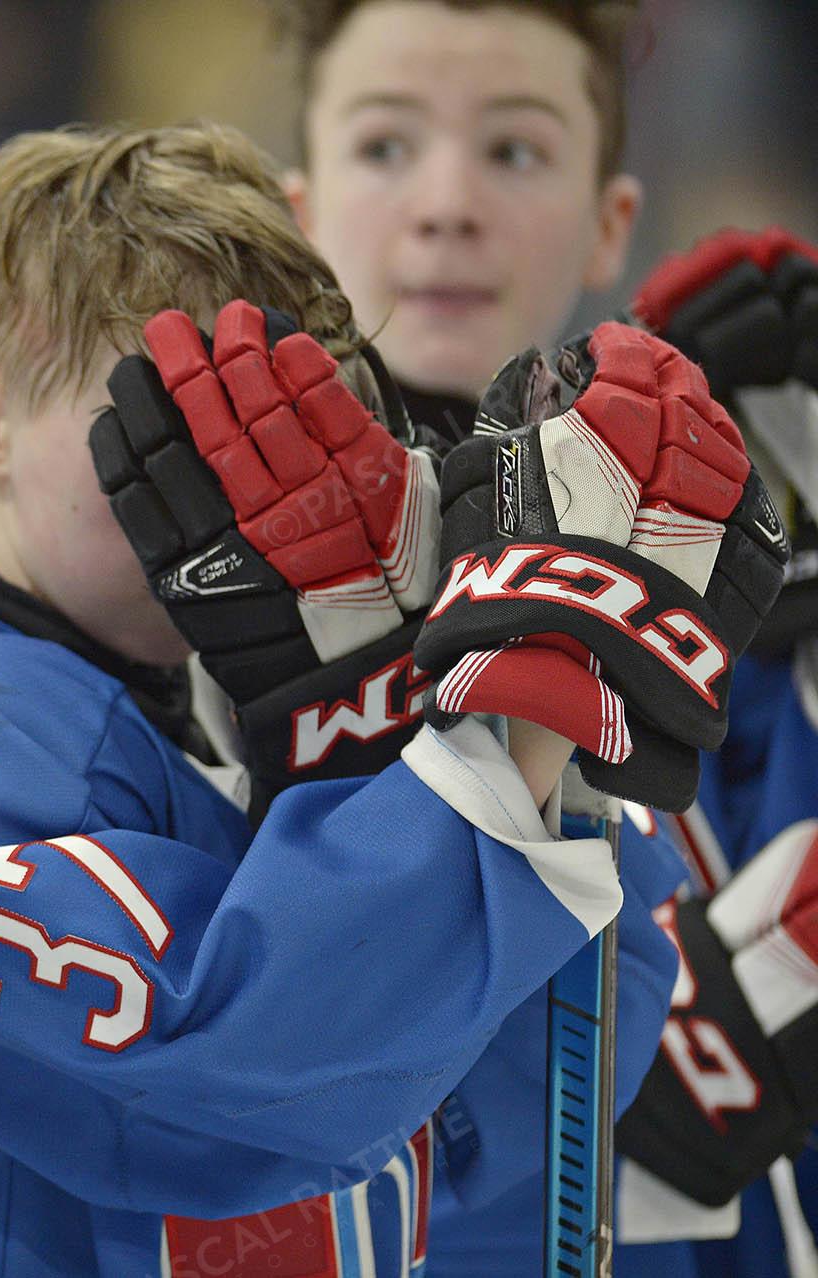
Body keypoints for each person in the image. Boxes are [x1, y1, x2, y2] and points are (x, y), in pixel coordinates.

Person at [0, 120, 711, 1276]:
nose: (225, 483)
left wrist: (526, 699)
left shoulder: (279, 687)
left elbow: (506, 1128)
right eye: (158, 425)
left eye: (273, 417)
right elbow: (235, 1100)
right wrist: (500, 736)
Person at [277, 1, 818, 1272]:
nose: (448, 204)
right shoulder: (217, 601)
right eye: (384, 147)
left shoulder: (703, 562)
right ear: (299, 206)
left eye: (514, 152)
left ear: (608, 221)